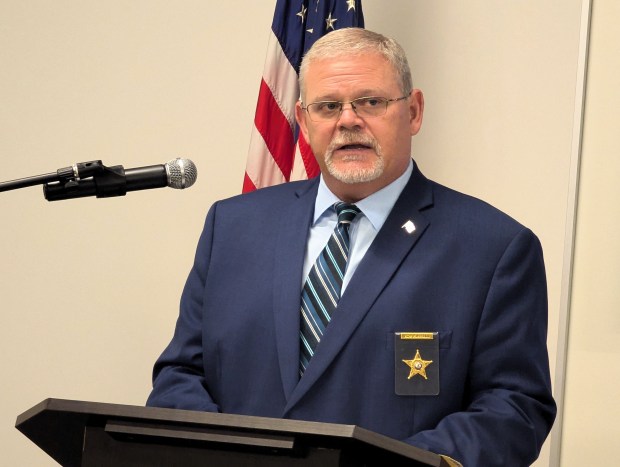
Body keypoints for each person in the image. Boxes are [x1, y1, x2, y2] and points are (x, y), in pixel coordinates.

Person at [147, 28, 556, 466]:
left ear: (414, 112)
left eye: (371, 102)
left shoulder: (494, 249)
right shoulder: (232, 227)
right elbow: (180, 375)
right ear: (304, 122)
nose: (348, 121)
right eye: (328, 106)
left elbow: (513, 409)